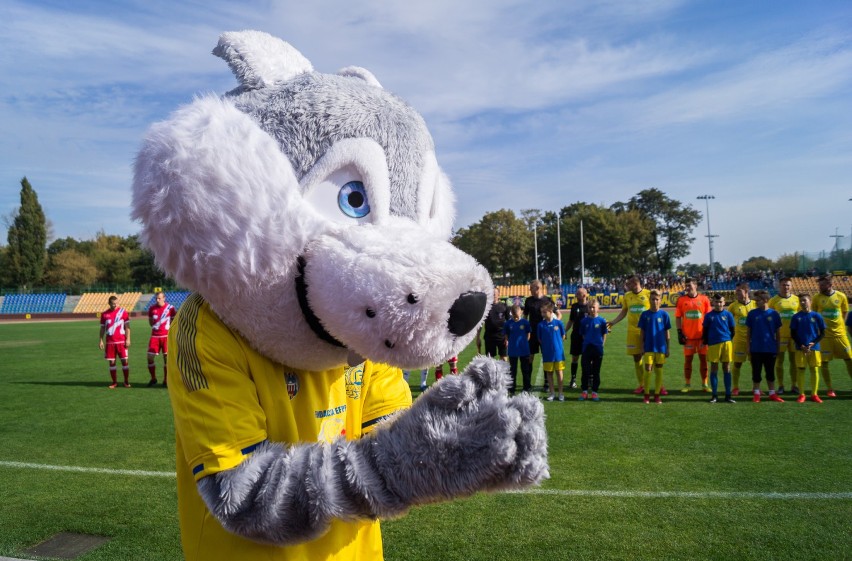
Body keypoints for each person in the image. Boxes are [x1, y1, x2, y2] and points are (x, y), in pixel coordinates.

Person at [608, 275, 664, 395]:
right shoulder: (627, 296)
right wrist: (613, 322)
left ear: (635, 283)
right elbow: (624, 311)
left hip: (648, 331)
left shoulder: (649, 294)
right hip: (633, 331)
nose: (627, 286)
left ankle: (660, 386)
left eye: (629, 283)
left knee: (653, 359)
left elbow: (657, 309)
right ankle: (642, 384)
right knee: (637, 357)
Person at [811, 274, 851, 398]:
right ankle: (829, 388)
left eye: (822, 285)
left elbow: (844, 312)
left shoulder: (841, 296)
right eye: (819, 285)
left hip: (840, 335)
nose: (820, 287)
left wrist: (841, 326)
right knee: (824, 363)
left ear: (830, 285)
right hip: (824, 336)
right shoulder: (817, 298)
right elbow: (814, 314)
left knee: (849, 359)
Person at [746, 290, 783, 403]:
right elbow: (748, 332)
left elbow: (778, 333)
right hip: (756, 348)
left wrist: (778, 346)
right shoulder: (752, 314)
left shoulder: (774, 314)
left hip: (770, 348)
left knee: (770, 372)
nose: (756, 302)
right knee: (756, 372)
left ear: (766, 300)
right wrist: (748, 346)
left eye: (758, 300)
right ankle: (757, 393)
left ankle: (772, 393)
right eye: (756, 300)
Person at [675, 278, 711, 393]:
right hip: (688, 337)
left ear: (695, 285)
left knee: (703, 360)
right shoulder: (681, 300)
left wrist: (707, 332)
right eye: (686, 285)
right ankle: (687, 384)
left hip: (701, 336)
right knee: (688, 360)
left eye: (689, 285)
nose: (687, 287)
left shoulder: (704, 299)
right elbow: (678, 317)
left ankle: (705, 384)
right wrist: (679, 332)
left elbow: (708, 317)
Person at [524, 280, 561, 391]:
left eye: (531, 288)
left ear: (537, 288)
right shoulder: (528, 301)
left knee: (546, 357)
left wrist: (555, 324)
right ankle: (528, 384)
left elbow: (558, 314)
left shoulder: (548, 300)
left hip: (546, 334)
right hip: (532, 334)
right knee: (529, 357)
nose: (530, 290)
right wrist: (525, 329)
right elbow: (525, 316)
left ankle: (546, 384)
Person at [789, 294, 825, 403]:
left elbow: (822, 333)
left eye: (804, 300)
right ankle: (801, 394)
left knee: (814, 369)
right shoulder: (796, 317)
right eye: (801, 301)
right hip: (800, 348)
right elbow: (793, 333)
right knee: (801, 369)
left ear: (810, 301)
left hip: (814, 348)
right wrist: (801, 345)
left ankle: (814, 394)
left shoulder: (817, 316)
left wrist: (813, 343)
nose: (802, 302)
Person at [637, 290, 670, 404]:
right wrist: (641, 347)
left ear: (660, 301)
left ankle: (656, 395)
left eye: (657, 299)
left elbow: (667, 333)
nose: (655, 301)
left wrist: (668, 348)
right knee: (648, 371)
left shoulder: (664, 315)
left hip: (661, 348)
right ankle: (646, 395)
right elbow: (642, 332)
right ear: (649, 300)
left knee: (659, 371)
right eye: (652, 299)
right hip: (648, 348)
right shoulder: (645, 314)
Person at [702, 294, 737, 403]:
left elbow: (732, 330)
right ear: (713, 302)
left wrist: (726, 339)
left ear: (724, 302)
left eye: (721, 302)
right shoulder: (708, 316)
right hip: (713, 344)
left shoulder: (728, 315)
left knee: (727, 368)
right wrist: (707, 342)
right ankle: (714, 395)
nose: (719, 304)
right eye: (717, 302)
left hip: (726, 343)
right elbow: (705, 331)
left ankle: (728, 395)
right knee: (714, 368)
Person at [768, 278, 799, 394]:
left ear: (791, 286)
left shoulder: (796, 299)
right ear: (779, 286)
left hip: (794, 336)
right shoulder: (773, 300)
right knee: (779, 361)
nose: (786, 287)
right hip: (780, 336)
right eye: (783, 285)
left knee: (794, 361)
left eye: (788, 285)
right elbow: (769, 318)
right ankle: (780, 386)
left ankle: (794, 385)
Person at [728, 282, 756, 396]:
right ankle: (735, 387)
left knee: (755, 364)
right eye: (736, 291)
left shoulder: (755, 304)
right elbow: (727, 322)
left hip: (754, 341)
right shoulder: (733, 306)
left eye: (739, 291)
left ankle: (755, 388)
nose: (736, 293)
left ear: (746, 291)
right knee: (737, 364)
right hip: (739, 340)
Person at [99, 295, 131, 389]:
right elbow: (102, 328)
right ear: (109, 304)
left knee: (124, 361)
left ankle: (126, 381)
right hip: (110, 343)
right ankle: (114, 382)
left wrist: (128, 339)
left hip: (121, 342)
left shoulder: (123, 312)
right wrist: (101, 340)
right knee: (112, 362)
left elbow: (127, 327)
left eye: (117, 303)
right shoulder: (104, 314)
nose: (115, 305)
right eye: (113, 304)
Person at [579, 299, 607, 402]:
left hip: (598, 348)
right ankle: (585, 391)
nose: (592, 309)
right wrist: (587, 341)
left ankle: (595, 392)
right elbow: (582, 334)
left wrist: (602, 345)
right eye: (590, 307)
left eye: (594, 307)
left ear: (598, 308)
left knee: (596, 371)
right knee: (585, 371)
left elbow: (604, 333)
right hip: (587, 348)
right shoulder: (584, 321)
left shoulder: (602, 321)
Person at [537, 301, 566, 401]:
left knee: (559, 372)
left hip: (558, 353)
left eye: (544, 312)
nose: (542, 314)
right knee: (549, 373)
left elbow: (563, 336)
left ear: (550, 311)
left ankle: (561, 393)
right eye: (541, 312)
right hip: (547, 353)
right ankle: (552, 393)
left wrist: (556, 345)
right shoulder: (540, 325)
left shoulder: (559, 323)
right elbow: (539, 339)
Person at [147, 291, 176, 387]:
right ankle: (153, 378)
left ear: (164, 298)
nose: (157, 300)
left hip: (166, 336)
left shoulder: (170, 308)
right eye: (156, 298)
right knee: (150, 358)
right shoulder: (152, 308)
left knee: (166, 359)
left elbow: (174, 322)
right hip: (155, 336)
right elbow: (151, 322)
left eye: (159, 298)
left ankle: (165, 380)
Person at [503, 304, 533, 394]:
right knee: (512, 370)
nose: (516, 318)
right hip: (512, 350)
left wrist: (523, 342)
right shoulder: (508, 323)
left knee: (525, 370)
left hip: (524, 350)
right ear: (511, 313)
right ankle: (512, 388)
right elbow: (506, 335)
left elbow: (528, 335)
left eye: (517, 316)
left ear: (521, 312)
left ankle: (526, 387)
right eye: (514, 316)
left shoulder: (525, 322)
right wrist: (512, 342)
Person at [564, 287, 589, 390]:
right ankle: (573, 380)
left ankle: (588, 379)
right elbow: (571, 321)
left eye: (578, 294)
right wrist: (564, 331)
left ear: (584, 295)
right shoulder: (574, 306)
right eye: (576, 293)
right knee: (575, 358)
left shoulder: (590, 306)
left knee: (588, 359)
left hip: (588, 337)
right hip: (576, 336)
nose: (576, 295)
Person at [476, 287, 509, 361]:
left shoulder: (504, 306)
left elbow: (509, 323)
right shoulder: (486, 308)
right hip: (489, 337)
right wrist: (478, 337)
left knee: (504, 359)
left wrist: (507, 337)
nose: (493, 295)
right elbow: (481, 323)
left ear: (498, 295)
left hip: (502, 337)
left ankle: (503, 373)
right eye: (491, 294)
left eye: (494, 294)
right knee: (490, 360)